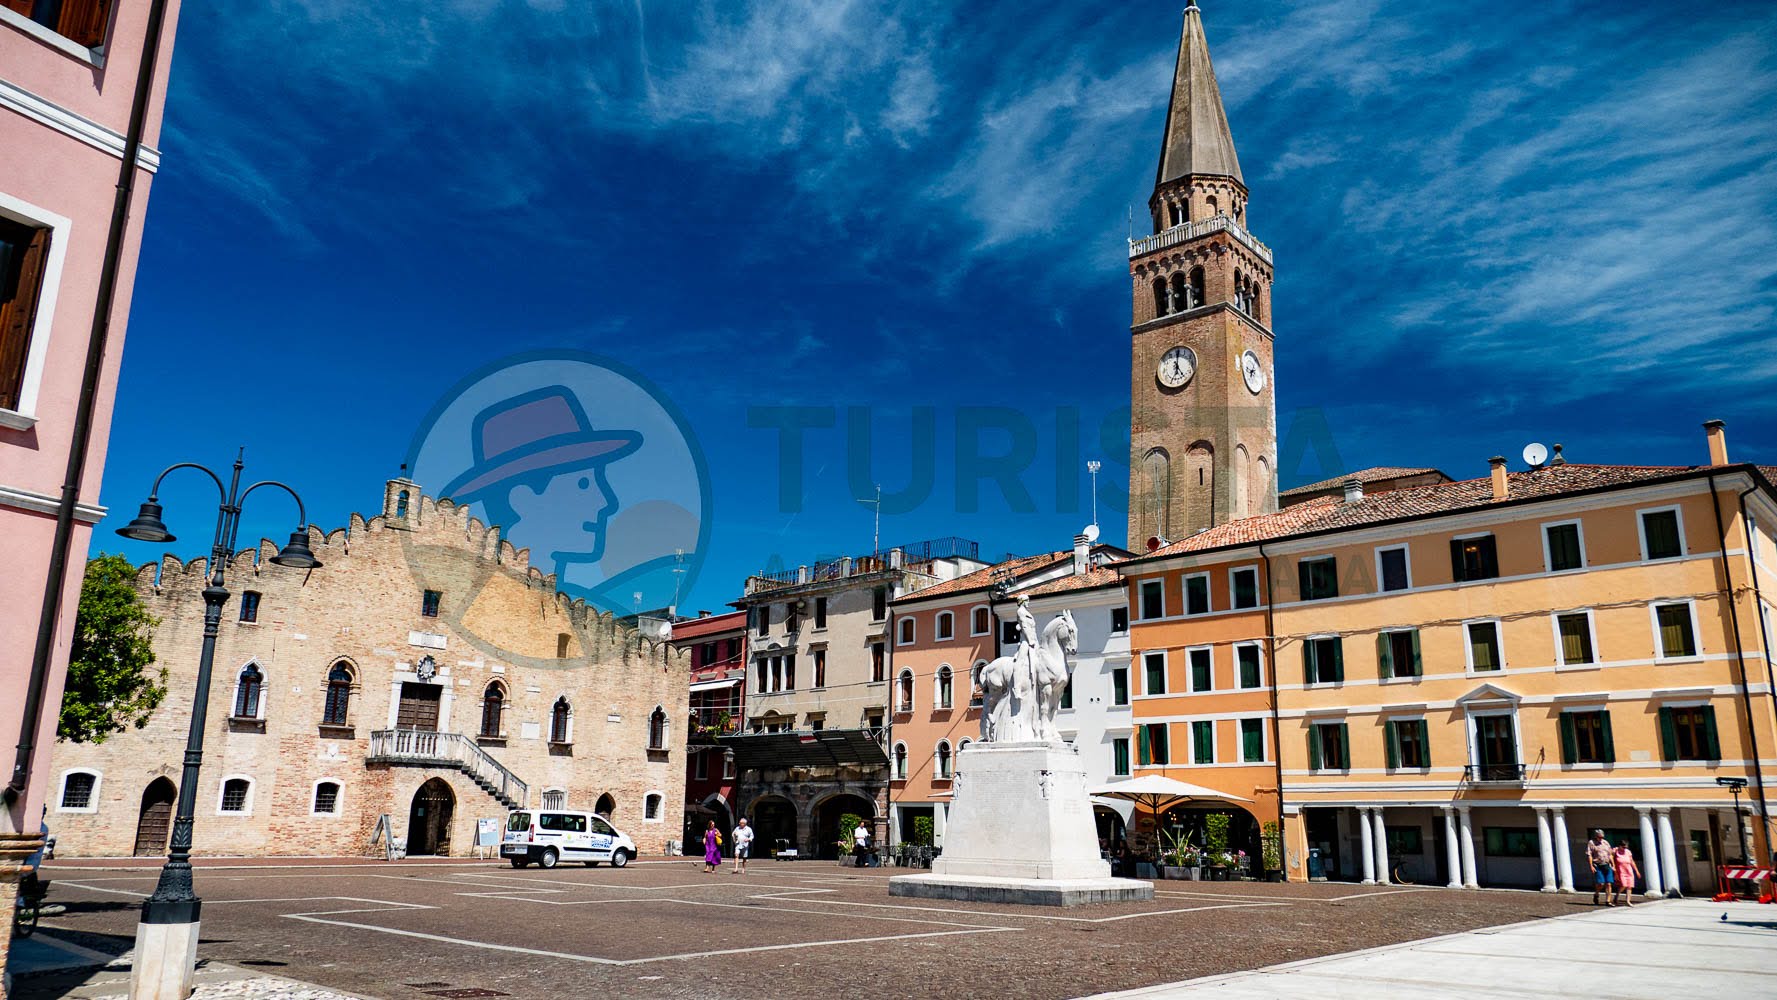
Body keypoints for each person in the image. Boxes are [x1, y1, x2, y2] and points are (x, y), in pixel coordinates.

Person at [1586, 829, 1614, 905]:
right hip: (1598, 865)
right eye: (1599, 837)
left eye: (1602, 837)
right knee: (1601, 883)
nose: (1601, 838)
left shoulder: (1606, 843)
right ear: (1596, 836)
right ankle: (1596, 894)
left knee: (1608, 883)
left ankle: (1608, 901)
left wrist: (1613, 865)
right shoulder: (1592, 843)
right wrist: (1591, 866)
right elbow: (1589, 855)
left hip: (1607, 864)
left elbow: (1610, 854)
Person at [1612, 840, 1642, 907]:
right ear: (1620, 846)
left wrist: (1637, 871)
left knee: (1630, 886)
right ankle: (1617, 895)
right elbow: (1610, 856)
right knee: (1623, 885)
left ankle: (1628, 901)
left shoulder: (1628, 852)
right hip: (1621, 871)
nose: (1625, 848)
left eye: (1626, 847)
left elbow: (1632, 862)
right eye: (1623, 847)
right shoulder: (1616, 851)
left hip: (1629, 870)